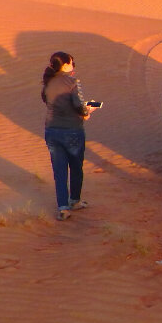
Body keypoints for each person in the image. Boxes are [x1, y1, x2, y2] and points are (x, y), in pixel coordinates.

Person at [41, 51, 98, 220]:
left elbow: (49, 102)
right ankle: (75, 200)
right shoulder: (73, 82)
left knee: (59, 170)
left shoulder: (47, 82)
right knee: (76, 167)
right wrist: (88, 111)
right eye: (72, 63)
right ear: (65, 65)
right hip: (72, 131)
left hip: (51, 131)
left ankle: (63, 208)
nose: (73, 66)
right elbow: (79, 106)